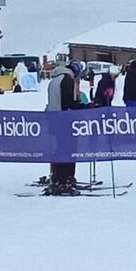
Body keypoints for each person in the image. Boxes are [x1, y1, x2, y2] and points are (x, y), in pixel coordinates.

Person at [46, 59, 88, 193]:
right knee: (68, 150)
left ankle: (57, 177)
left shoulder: (55, 79)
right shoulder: (67, 80)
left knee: (59, 149)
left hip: (54, 120)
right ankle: (65, 179)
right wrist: (84, 107)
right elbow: (68, 103)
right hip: (64, 121)